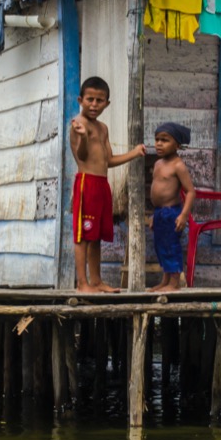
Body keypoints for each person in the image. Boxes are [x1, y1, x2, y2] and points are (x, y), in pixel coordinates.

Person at [69, 77, 146, 293]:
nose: (94, 104)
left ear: (107, 104)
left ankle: (96, 281)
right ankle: (82, 283)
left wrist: (134, 153)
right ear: (80, 100)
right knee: (83, 235)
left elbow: (108, 161)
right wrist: (83, 137)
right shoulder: (78, 125)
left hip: (102, 185)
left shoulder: (102, 128)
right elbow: (81, 157)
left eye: (99, 100)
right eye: (90, 99)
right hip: (87, 183)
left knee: (96, 237)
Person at [148, 121, 196, 292]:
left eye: (165, 140)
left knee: (170, 246)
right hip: (160, 212)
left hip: (172, 213)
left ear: (176, 144)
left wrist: (183, 215)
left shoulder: (178, 165)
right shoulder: (158, 164)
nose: (159, 143)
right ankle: (165, 280)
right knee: (160, 246)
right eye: (157, 139)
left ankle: (174, 283)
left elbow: (190, 191)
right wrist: (155, 215)